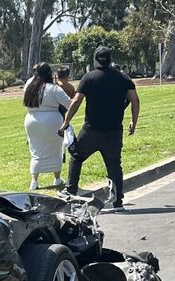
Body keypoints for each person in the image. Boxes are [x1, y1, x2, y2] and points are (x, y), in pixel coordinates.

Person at [58, 46, 139, 212]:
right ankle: (117, 202)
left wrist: (66, 121)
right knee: (114, 165)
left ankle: (71, 190)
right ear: (110, 60)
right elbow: (135, 100)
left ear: (95, 60)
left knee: (76, 156)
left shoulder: (89, 78)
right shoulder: (123, 78)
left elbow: (76, 101)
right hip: (114, 131)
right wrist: (134, 122)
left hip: (92, 130)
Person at [23, 62, 71, 190]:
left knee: (36, 150)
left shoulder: (29, 86)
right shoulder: (53, 88)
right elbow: (69, 103)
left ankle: (34, 181)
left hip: (32, 120)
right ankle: (57, 178)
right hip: (52, 121)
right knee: (55, 150)